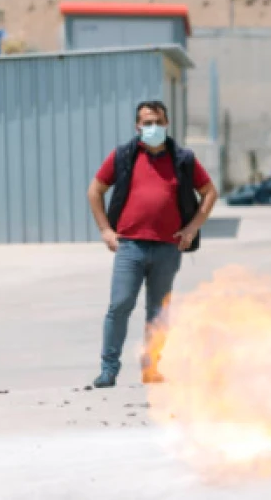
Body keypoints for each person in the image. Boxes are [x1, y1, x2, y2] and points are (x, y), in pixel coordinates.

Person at [87, 100, 218, 388]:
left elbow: (209, 191)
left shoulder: (183, 159)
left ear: (167, 123)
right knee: (120, 305)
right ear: (137, 126)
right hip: (129, 247)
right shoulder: (123, 156)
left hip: (168, 248)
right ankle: (109, 369)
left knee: (157, 311)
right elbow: (95, 190)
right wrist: (105, 230)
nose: (153, 127)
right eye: (147, 123)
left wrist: (193, 228)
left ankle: (151, 367)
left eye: (158, 121)